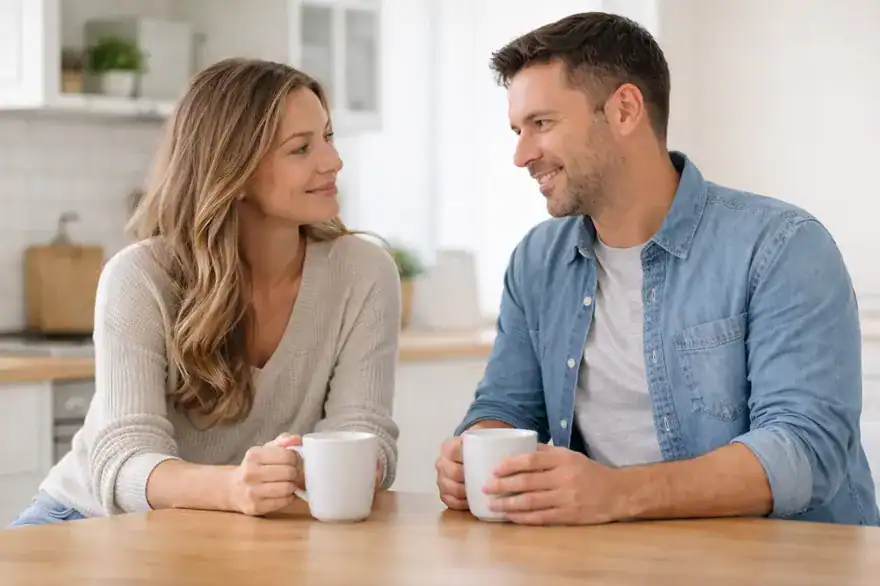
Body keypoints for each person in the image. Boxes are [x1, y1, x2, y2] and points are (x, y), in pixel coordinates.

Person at [435, 12, 879, 526]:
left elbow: (806, 450)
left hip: (781, 564)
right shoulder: (537, 261)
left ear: (624, 110)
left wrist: (617, 494)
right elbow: (507, 407)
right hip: (604, 560)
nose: (521, 155)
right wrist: (474, 450)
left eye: (542, 123)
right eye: (517, 129)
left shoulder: (781, 247)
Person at [8, 58, 401, 528]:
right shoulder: (140, 277)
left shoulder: (364, 272)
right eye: (301, 149)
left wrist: (309, 469)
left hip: (232, 528)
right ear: (232, 169)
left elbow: (366, 435)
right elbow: (124, 463)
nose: (332, 161)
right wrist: (234, 487)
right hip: (86, 521)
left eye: (329, 137)